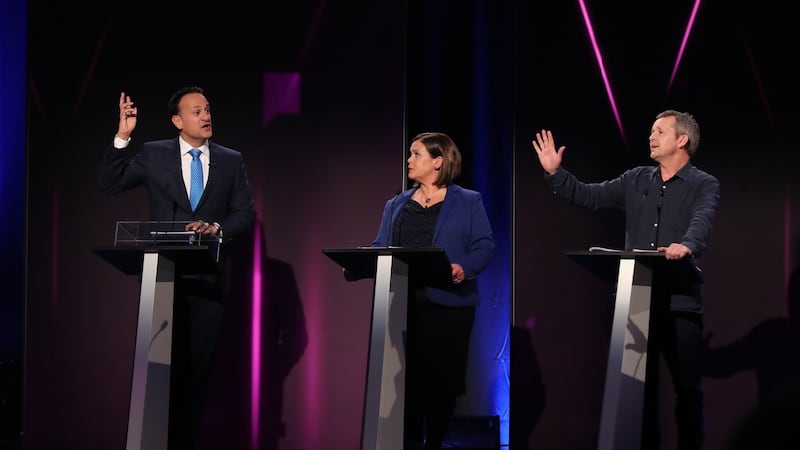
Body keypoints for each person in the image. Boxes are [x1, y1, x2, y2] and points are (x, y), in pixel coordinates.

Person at [531, 110, 720, 450]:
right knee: (640, 393)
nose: (651, 136)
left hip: (680, 305)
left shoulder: (704, 184)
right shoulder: (636, 179)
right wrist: (555, 174)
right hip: (636, 305)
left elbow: (702, 221)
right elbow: (590, 195)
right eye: (651, 131)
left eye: (659, 131)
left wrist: (686, 245)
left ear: (682, 140)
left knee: (687, 392)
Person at [98, 86, 255, 449]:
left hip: (209, 282)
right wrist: (123, 136)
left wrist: (216, 228)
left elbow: (244, 214)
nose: (206, 116)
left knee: (197, 376)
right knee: (159, 373)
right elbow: (109, 183)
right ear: (177, 120)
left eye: (208, 109)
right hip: (164, 277)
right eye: (197, 111)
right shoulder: (155, 154)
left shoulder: (231, 160)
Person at [369, 132, 495, 450]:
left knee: (442, 385)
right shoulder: (396, 204)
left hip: (449, 305)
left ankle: (434, 443)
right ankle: (407, 442)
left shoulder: (468, 200)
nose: (409, 160)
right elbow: (380, 246)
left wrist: (462, 268)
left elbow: (485, 246)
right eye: (410, 154)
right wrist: (358, 266)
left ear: (438, 161)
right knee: (405, 383)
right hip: (404, 303)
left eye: (416, 154)